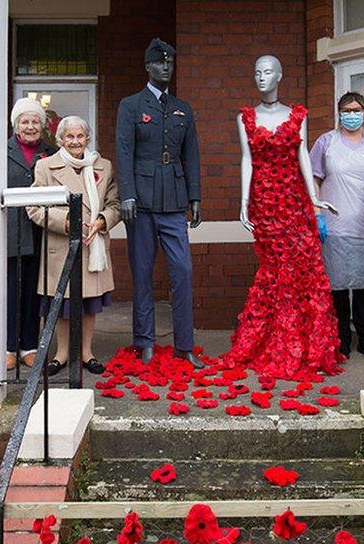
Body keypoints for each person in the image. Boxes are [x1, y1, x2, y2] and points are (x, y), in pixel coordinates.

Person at [220, 54, 341, 381]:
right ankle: (275, 341)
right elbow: (247, 160)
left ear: (279, 75)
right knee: (276, 270)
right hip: (265, 203)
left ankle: (305, 344)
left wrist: (315, 198)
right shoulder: (245, 117)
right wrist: (243, 202)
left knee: (304, 269)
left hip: (295, 202)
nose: (262, 77)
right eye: (257, 72)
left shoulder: (297, 115)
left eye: (268, 71)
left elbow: (302, 155)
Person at [115, 38, 205, 369]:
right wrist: (126, 193)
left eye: (170, 63)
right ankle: (145, 342)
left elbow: (191, 154)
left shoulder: (183, 108)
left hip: (174, 203)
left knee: (182, 271)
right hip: (140, 202)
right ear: (147, 67)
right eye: (160, 63)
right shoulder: (131, 105)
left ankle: (184, 344)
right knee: (142, 273)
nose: (166, 67)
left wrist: (194, 196)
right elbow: (124, 151)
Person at [27, 116, 120, 376]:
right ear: (60, 140)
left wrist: (102, 221)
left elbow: (115, 204)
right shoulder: (46, 167)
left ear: (87, 138)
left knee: (90, 303)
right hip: (61, 246)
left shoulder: (104, 165)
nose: (75, 141)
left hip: (94, 245)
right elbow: (34, 207)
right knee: (64, 305)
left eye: (80, 136)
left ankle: (87, 353)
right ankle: (62, 354)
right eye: (70, 137)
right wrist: (67, 221)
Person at [309, 92, 364, 360]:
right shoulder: (326, 142)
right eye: (346, 110)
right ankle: (341, 340)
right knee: (337, 288)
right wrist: (316, 212)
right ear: (339, 112)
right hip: (335, 226)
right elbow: (311, 179)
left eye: (356, 109)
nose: (351, 114)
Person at [5, 98, 58, 371]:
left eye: (35, 121)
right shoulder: (2, 150)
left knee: (34, 292)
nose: (30, 126)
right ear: (16, 125)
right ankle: (9, 347)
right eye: (25, 122)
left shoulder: (52, 151)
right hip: (12, 230)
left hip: (41, 230)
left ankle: (29, 346)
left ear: (43, 125)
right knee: (11, 290)